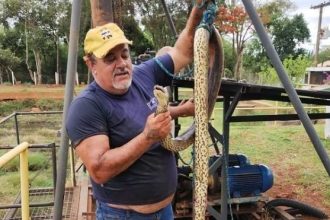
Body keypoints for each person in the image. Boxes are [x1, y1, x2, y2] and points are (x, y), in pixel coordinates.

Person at [66, 2, 208, 219]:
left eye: (124, 54)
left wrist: (197, 14)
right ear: (91, 64)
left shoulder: (143, 74)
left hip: (165, 211)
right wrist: (147, 137)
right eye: (110, 59)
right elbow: (100, 169)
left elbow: (182, 52)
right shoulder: (86, 106)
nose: (122, 63)